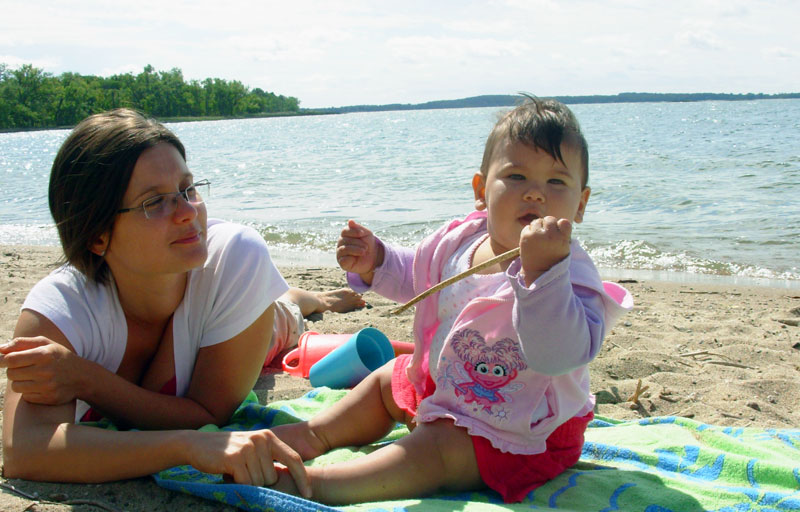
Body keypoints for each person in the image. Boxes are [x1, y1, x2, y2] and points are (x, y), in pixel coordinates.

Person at [270, 96, 633, 504]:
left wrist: (543, 276)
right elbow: (418, 275)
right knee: (390, 377)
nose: (535, 194)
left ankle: (320, 484)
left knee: (437, 448)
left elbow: (560, 355)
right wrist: (376, 261)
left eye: (556, 182)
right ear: (481, 190)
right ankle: (315, 434)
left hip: (521, 432)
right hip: (447, 391)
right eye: (516, 176)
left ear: (580, 204)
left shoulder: (570, 273)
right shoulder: (460, 242)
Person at [0, 108, 353, 496]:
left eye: (188, 189)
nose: (188, 213)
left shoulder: (233, 259)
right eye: (154, 202)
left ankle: (306, 298)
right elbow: (25, 452)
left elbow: (208, 413)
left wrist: (88, 379)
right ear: (98, 236)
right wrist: (185, 446)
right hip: (222, 313)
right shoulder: (62, 310)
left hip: (242, 321)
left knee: (283, 318)